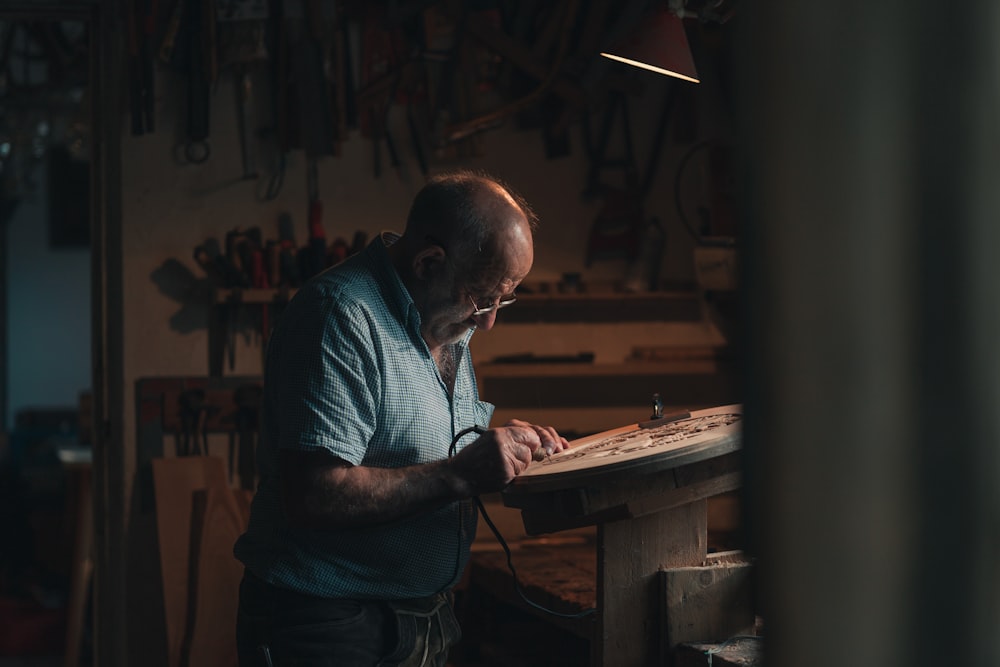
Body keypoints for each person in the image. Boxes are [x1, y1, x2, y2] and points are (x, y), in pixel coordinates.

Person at [233, 170, 570, 666]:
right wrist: (461, 473)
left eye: (505, 298)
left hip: (424, 618)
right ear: (429, 262)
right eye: (484, 297)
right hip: (330, 625)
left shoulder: (446, 317)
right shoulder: (340, 316)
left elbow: (418, 451)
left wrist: (506, 451)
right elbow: (314, 494)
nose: (490, 319)